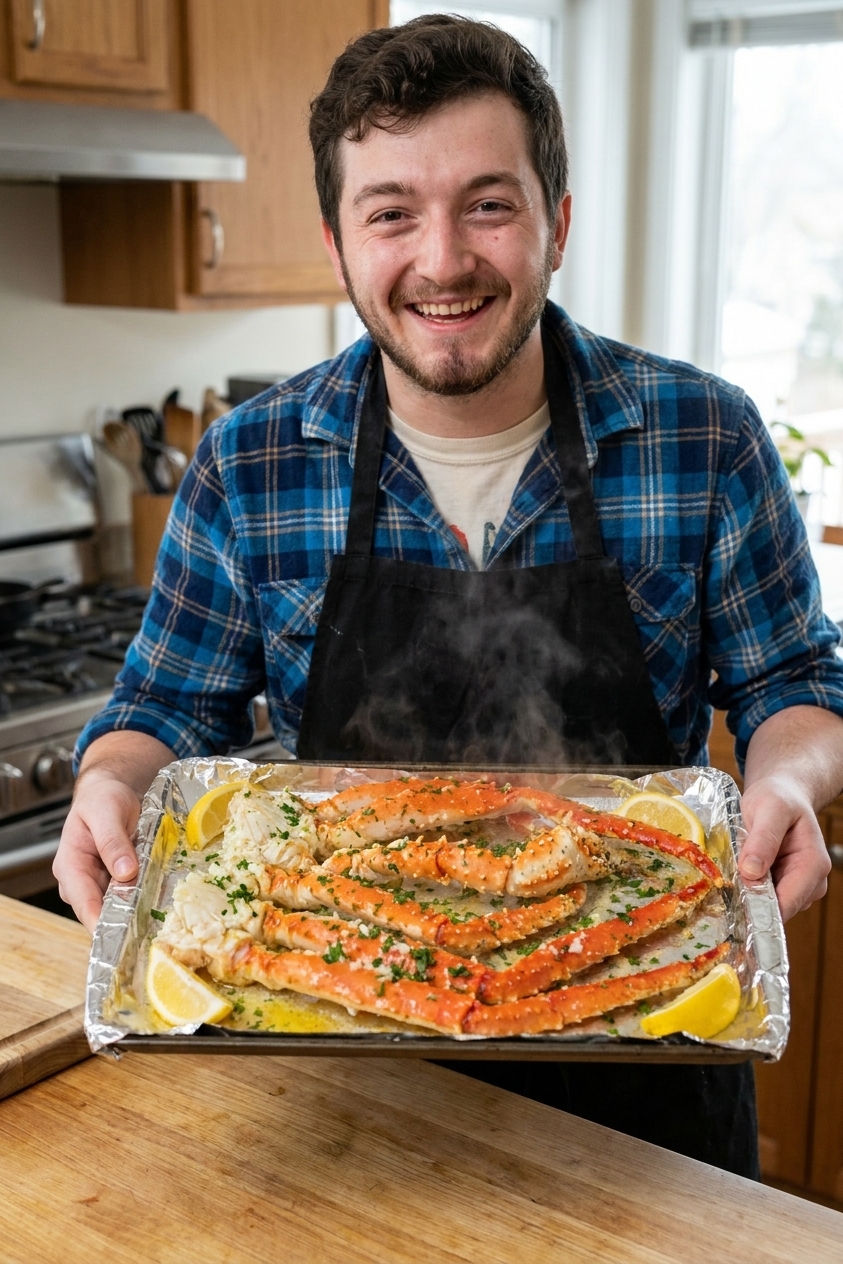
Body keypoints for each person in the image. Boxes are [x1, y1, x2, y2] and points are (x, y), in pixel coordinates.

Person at [55, 15, 843, 1177]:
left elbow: (796, 681)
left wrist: (785, 779)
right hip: (341, 1092)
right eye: (391, 213)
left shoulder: (704, 436)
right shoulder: (250, 462)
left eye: (488, 204)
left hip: (652, 1075)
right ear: (337, 242)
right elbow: (165, 711)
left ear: (556, 221)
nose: (443, 260)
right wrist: (108, 788)